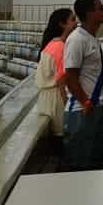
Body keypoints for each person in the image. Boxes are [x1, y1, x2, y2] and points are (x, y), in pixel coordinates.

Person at [62, 0, 103, 167]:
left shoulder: (92, 38)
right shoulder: (77, 40)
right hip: (82, 110)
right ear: (89, 14)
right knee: (80, 163)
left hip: (95, 107)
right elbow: (70, 76)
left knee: (93, 160)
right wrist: (85, 101)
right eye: (100, 8)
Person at [35, 7, 75, 135]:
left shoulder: (52, 44)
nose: (76, 23)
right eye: (73, 20)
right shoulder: (60, 47)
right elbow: (61, 80)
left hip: (48, 99)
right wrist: (68, 105)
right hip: (56, 99)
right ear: (62, 24)